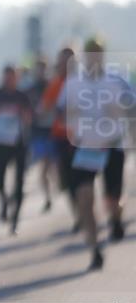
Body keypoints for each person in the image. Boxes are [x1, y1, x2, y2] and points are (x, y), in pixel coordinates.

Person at [57, 37, 132, 270]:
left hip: (111, 146)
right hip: (85, 148)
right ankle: (95, 249)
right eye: (90, 54)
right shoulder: (73, 83)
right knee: (84, 197)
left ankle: (116, 218)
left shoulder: (116, 80)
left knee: (111, 199)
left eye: (98, 54)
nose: (94, 58)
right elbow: (60, 113)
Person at [0, 64, 33, 234]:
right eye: (7, 77)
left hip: (18, 143)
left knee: (19, 182)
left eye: (13, 77)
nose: (9, 80)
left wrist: (23, 114)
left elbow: (29, 119)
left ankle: (15, 218)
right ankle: (4, 202)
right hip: (0, 144)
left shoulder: (22, 97)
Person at [40, 48, 79, 227]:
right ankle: (79, 215)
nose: (65, 65)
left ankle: (85, 211)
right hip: (61, 138)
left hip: (82, 139)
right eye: (63, 61)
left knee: (84, 179)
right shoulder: (55, 85)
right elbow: (44, 110)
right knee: (68, 181)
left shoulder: (84, 82)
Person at [25, 57, 55, 212]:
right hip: (39, 133)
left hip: (55, 132)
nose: (41, 72)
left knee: (54, 167)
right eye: (38, 69)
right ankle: (48, 196)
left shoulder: (53, 86)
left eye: (43, 68)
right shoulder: (30, 90)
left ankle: (57, 189)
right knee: (43, 167)